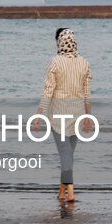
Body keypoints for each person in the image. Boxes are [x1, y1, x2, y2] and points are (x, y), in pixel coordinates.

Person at [33, 28, 92, 203]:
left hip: (58, 113)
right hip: (77, 113)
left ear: (60, 42)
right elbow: (87, 93)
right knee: (68, 154)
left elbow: (49, 90)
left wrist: (39, 114)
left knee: (65, 153)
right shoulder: (84, 63)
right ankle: (62, 191)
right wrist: (89, 116)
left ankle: (71, 191)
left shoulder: (55, 62)